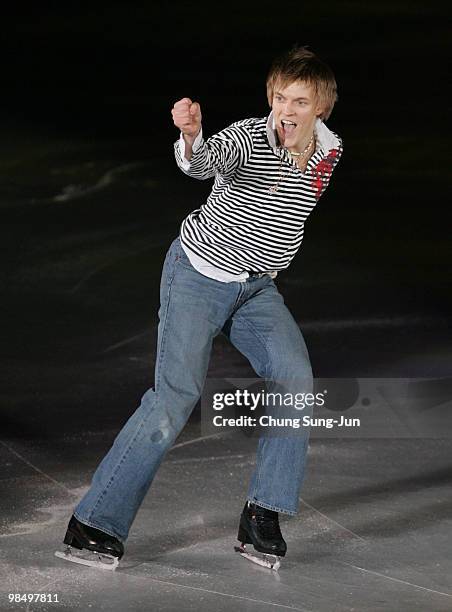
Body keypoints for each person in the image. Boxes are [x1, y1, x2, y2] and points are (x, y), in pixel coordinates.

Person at [56, 45, 343, 571]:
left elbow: (295, 204)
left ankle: (262, 516)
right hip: (198, 275)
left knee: (295, 381)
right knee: (175, 399)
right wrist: (191, 136)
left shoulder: (329, 151)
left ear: (320, 107)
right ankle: (93, 522)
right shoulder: (249, 136)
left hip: (256, 290)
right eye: (279, 97)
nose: (286, 109)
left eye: (299, 100)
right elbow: (204, 160)